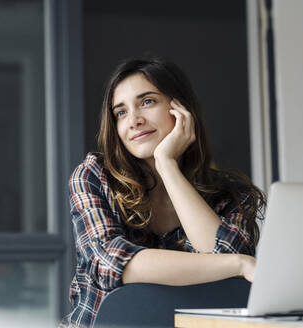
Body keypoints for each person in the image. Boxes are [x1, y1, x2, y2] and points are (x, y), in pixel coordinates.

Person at [59, 56, 266, 328]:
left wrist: (167, 165)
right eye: (121, 112)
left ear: (181, 108)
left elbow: (225, 261)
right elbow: (111, 262)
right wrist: (239, 264)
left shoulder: (232, 192)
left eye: (147, 101)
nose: (133, 120)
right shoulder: (93, 176)